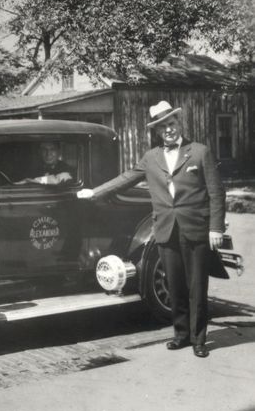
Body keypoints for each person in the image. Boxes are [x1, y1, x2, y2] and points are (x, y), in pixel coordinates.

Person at [77, 100, 225, 358]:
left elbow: (216, 192)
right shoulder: (151, 157)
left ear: (179, 123)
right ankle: (181, 335)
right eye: (162, 127)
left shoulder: (200, 152)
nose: (168, 130)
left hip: (196, 228)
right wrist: (95, 192)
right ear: (157, 132)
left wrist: (215, 228)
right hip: (165, 230)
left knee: (197, 287)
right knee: (175, 286)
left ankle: (199, 339)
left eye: (172, 124)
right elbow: (125, 179)